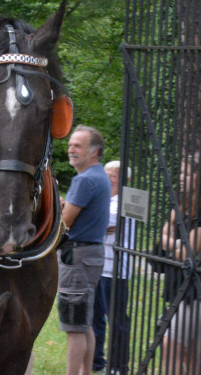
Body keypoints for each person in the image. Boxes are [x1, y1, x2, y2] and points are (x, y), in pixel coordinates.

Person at [153, 152, 201, 375]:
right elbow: (163, 238)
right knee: (190, 354)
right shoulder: (181, 206)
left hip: (197, 292)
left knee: (170, 346)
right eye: (181, 171)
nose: (181, 176)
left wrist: (173, 243)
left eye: (187, 173)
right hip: (181, 286)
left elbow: (186, 253)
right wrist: (176, 243)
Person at [59, 125, 111, 375]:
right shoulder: (99, 176)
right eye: (71, 144)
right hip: (91, 255)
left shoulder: (85, 180)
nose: (71, 149)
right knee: (84, 322)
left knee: (74, 326)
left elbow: (64, 223)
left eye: (78, 145)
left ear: (94, 152)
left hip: (77, 257)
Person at [92, 160, 135, 374]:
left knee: (116, 319)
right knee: (95, 316)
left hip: (116, 270)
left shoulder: (127, 201)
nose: (108, 178)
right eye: (106, 174)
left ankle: (119, 365)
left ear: (125, 180)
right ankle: (96, 360)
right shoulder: (103, 199)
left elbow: (103, 222)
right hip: (98, 266)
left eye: (114, 175)